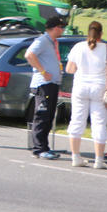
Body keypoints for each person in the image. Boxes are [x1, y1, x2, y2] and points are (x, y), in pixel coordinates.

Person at [64, 21, 107, 169]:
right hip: (99, 87)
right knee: (99, 122)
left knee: (77, 120)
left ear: (88, 33)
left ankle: (76, 157)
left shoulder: (78, 47)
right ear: (101, 34)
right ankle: (99, 160)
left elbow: (70, 69)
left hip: (80, 86)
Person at [25, 16, 66, 160]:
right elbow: (29, 55)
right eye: (62, 27)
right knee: (42, 116)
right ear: (56, 28)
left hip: (51, 84)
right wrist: (42, 71)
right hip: (43, 84)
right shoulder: (42, 41)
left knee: (48, 117)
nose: (63, 30)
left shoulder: (53, 42)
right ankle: (39, 149)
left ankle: (44, 147)